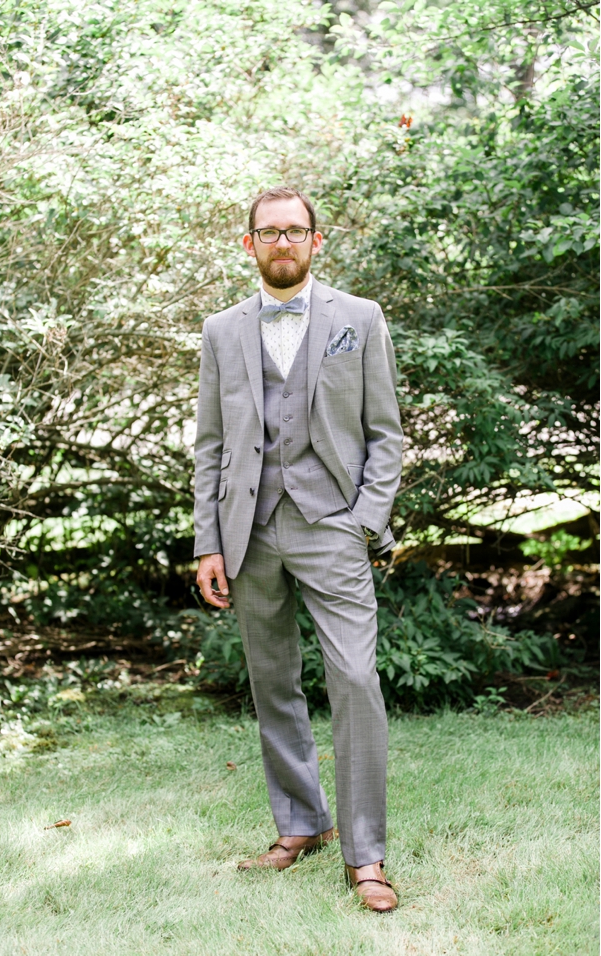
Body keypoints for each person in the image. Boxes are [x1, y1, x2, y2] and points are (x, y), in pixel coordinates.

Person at [192, 186, 402, 912]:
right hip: (247, 531)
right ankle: (300, 824)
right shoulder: (221, 330)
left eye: (295, 231)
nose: (283, 242)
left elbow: (387, 435)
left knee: (355, 681)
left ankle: (366, 853)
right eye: (269, 232)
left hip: (333, 527)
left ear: (317, 241)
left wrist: (364, 522)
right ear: (248, 244)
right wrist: (207, 543)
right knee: (272, 683)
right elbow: (211, 448)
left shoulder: (360, 319)